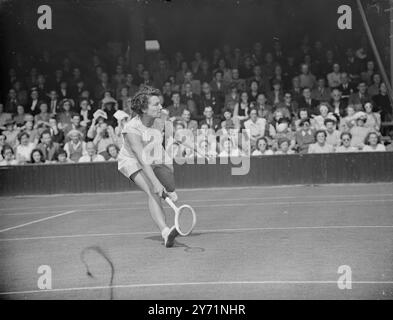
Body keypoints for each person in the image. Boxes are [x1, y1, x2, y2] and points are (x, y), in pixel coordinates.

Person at [117, 85, 180, 248]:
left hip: (152, 156)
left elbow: (175, 136)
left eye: (160, 103)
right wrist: (156, 183)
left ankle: (168, 190)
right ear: (144, 109)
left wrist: (198, 147)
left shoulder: (159, 122)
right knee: (152, 190)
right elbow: (141, 158)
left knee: (169, 182)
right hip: (131, 160)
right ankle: (165, 232)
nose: (161, 107)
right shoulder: (132, 129)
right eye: (156, 104)